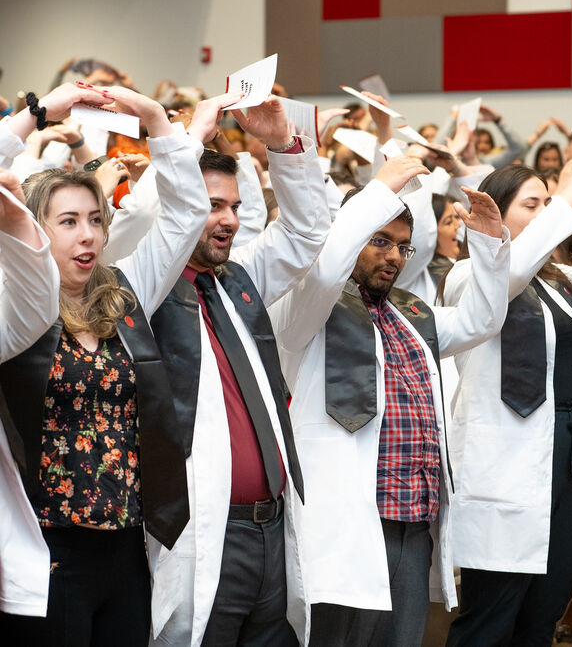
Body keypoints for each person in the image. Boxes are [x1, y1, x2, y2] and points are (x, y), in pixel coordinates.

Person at [0, 82, 219, 644]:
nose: (88, 236)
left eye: (96, 220)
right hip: (47, 547)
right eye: (67, 222)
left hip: (125, 542)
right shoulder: (15, 310)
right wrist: (32, 115)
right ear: (31, 230)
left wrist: (154, 119)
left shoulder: (122, 292)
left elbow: (185, 216)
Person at [268, 154, 510, 647]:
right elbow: (326, 269)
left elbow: (481, 320)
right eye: (380, 242)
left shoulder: (409, 314)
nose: (395, 257)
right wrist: (377, 191)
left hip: (412, 523)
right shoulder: (305, 309)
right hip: (352, 518)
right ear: (351, 236)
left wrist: (487, 244)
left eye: (402, 246)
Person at [137, 96, 330, 647]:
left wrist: (283, 148)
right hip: (204, 531)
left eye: (233, 207)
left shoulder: (235, 283)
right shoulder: (138, 293)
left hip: (270, 530)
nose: (226, 220)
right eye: (209, 205)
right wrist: (187, 139)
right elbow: (140, 223)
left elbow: (304, 235)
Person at [443, 154, 572, 647]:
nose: (545, 214)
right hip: (508, 465)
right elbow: (505, 276)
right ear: (495, 212)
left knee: (542, 615)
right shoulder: (467, 276)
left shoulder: (558, 280)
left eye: (547, 205)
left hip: (569, 455)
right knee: (490, 621)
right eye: (532, 204)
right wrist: (569, 197)